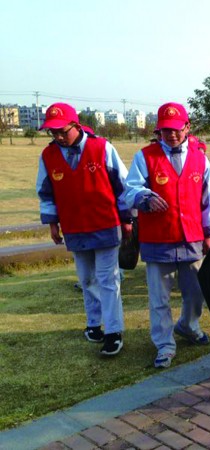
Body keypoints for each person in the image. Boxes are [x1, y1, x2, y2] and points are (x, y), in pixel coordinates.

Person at [124, 102, 210, 368]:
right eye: (166, 130)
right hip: (158, 239)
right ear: (159, 131)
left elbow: (208, 199)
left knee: (196, 292)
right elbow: (129, 190)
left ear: (187, 127)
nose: (172, 135)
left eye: (177, 129)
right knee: (159, 298)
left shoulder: (200, 159)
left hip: (191, 238)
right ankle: (165, 345)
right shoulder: (145, 156)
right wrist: (144, 197)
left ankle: (188, 326)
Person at [36, 102, 131, 356]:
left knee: (108, 279)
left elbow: (122, 185)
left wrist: (127, 219)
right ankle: (93, 324)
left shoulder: (102, 148)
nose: (58, 137)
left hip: (105, 224)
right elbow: (46, 193)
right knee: (87, 279)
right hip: (74, 227)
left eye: (62, 131)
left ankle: (113, 331)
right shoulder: (48, 156)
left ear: (76, 126)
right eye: (52, 132)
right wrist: (52, 223)